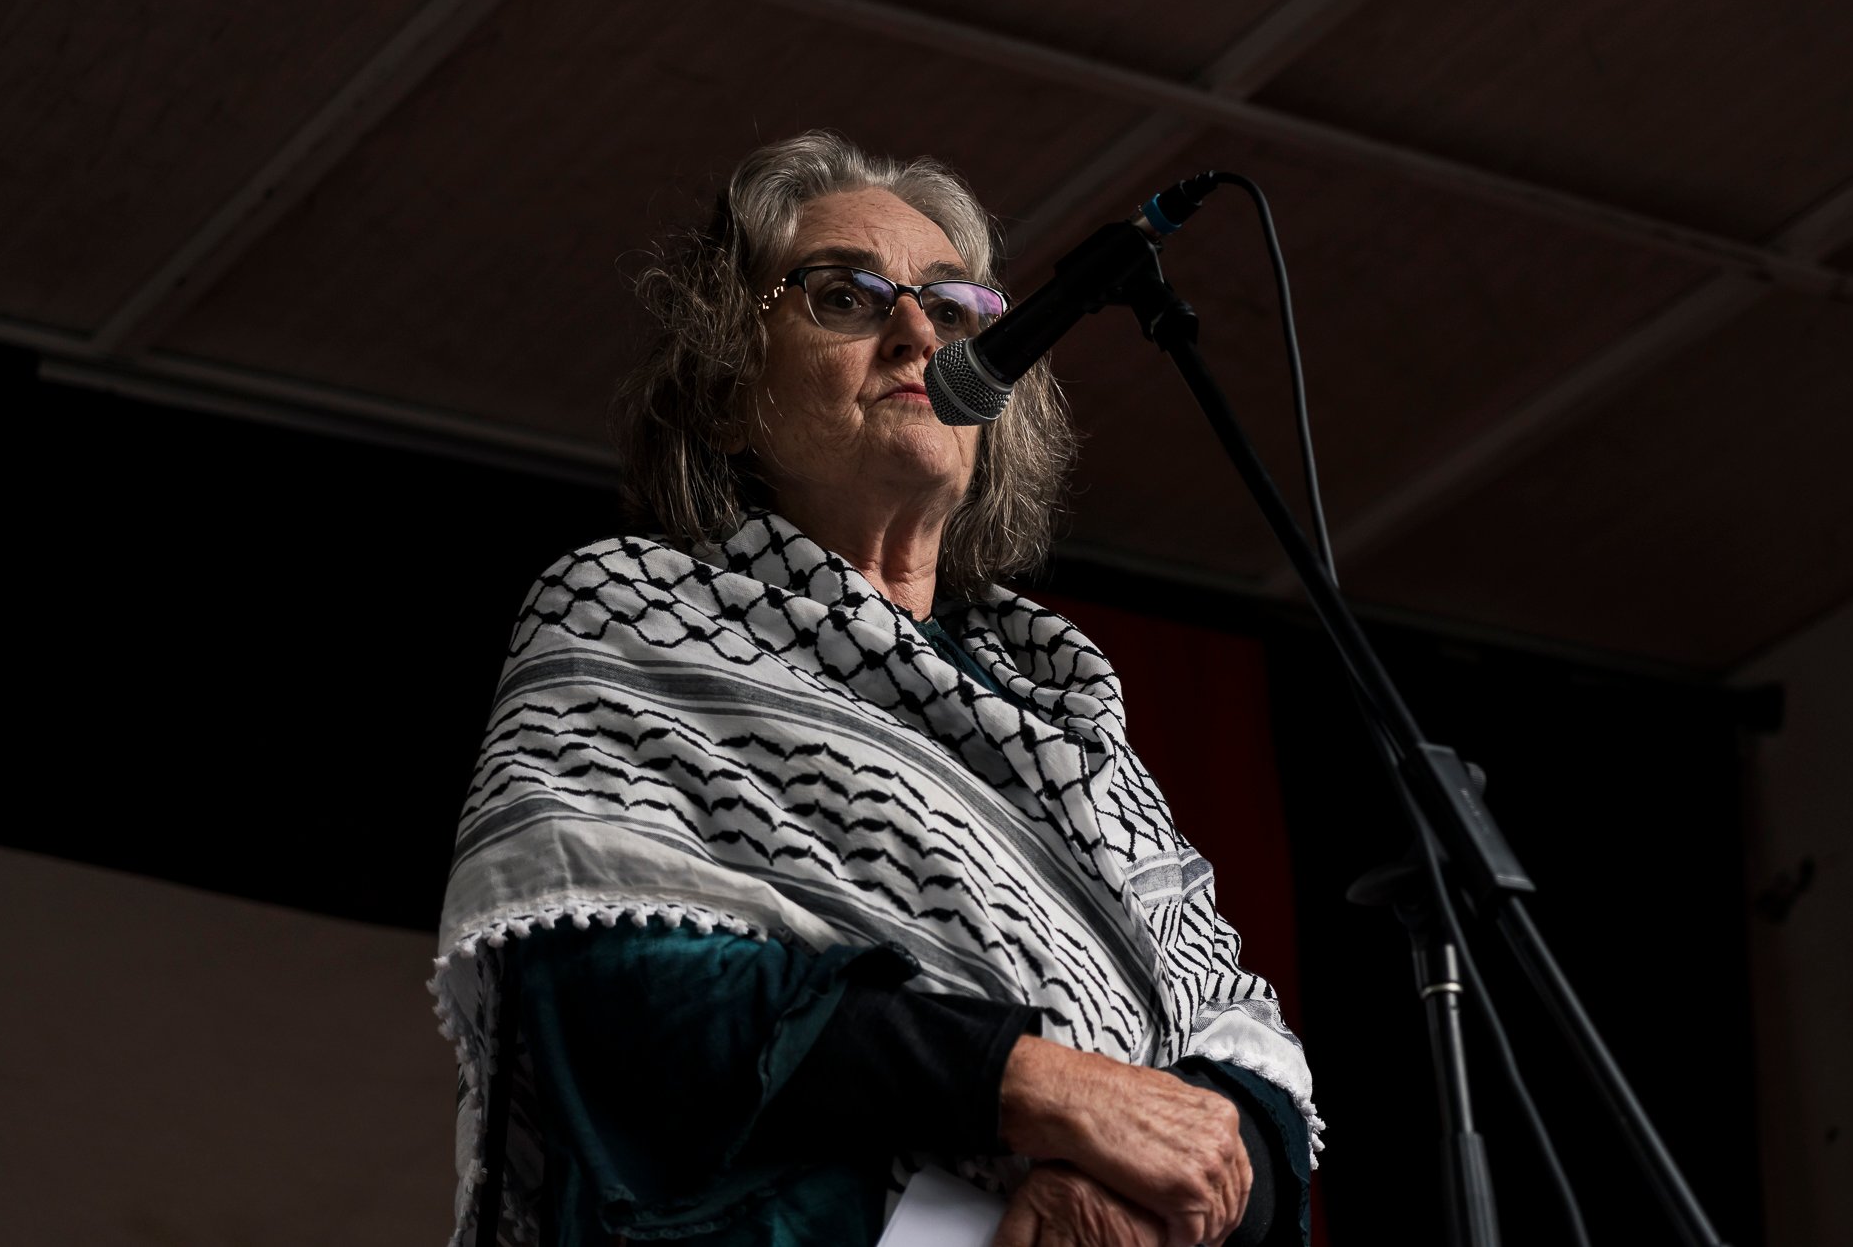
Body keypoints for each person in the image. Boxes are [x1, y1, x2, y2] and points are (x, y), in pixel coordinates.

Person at [433, 130, 1322, 1247]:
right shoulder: (631, 605)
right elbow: (598, 978)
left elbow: (1246, 1068)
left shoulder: (1067, 712)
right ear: (727, 391)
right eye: (844, 297)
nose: (915, 334)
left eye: (952, 308)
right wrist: (1033, 1085)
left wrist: (1132, 1200)